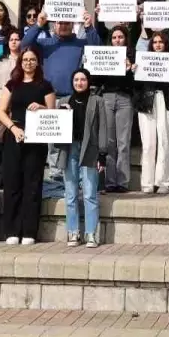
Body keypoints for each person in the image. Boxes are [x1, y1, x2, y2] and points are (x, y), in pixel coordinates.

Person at [0, 47, 56, 244]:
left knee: (32, 184)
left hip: (36, 140)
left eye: (32, 60)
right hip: (15, 136)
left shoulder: (45, 86)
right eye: (25, 60)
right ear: (20, 62)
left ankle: (29, 231)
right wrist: (13, 128)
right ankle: (12, 230)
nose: (28, 63)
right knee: (12, 183)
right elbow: (1, 111)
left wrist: (41, 108)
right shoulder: (12, 84)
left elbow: (53, 113)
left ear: (37, 62)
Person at [63, 68, 106, 246]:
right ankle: (73, 232)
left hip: (90, 149)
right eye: (76, 80)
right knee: (71, 193)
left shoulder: (97, 101)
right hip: (70, 148)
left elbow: (103, 127)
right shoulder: (65, 101)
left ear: (88, 82)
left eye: (82, 79)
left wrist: (102, 154)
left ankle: (91, 233)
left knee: (89, 193)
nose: (79, 83)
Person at [23, 10, 103, 100]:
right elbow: (25, 46)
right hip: (47, 98)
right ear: (54, 25)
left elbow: (98, 50)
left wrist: (89, 27)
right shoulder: (44, 43)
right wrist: (38, 25)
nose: (63, 26)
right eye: (60, 23)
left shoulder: (81, 44)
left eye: (67, 23)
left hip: (73, 98)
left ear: (72, 24)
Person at [94, 26, 136, 194]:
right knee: (109, 142)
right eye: (114, 38)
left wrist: (130, 68)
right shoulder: (105, 56)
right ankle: (110, 182)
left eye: (120, 37)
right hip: (107, 98)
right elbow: (96, 79)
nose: (117, 40)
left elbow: (135, 84)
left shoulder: (132, 56)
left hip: (125, 99)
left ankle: (123, 182)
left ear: (125, 39)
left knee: (123, 142)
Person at [135, 31, 169, 194]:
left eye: (161, 42)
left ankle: (164, 181)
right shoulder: (143, 61)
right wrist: (135, 71)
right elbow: (136, 87)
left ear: (165, 45)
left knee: (165, 140)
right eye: (155, 42)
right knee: (149, 143)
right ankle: (147, 182)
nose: (158, 45)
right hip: (147, 102)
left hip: (165, 100)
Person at [0, 29, 25, 108]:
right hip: (1, 103)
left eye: (17, 39)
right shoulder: (0, 61)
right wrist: (1, 95)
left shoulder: (25, 61)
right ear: (7, 42)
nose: (13, 42)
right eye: (11, 40)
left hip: (20, 104)